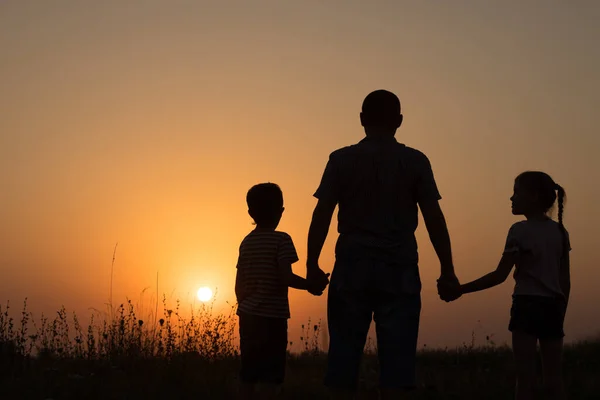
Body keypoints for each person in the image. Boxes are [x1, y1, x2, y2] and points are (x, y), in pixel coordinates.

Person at [306, 90, 459, 399]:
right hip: (399, 268)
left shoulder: (341, 159)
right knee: (398, 369)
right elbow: (433, 217)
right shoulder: (415, 161)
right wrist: (447, 270)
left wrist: (312, 264)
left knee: (342, 363)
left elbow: (322, 213)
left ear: (361, 119)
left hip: (351, 266)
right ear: (399, 121)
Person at [439, 171, 570, 400]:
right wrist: (561, 311)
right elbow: (565, 281)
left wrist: (460, 290)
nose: (511, 198)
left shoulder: (518, 231)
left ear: (534, 197)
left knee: (524, 380)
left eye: (516, 192)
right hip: (553, 308)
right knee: (554, 379)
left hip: (527, 306)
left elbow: (500, 275)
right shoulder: (560, 232)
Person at [235, 182, 329, 400]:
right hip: (272, 319)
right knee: (271, 374)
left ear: (250, 212)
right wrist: (310, 285)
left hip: (248, 317)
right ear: (281, 211)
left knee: (248, 372)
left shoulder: (246, 242)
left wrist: (245, 304)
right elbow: (285, 276)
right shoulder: (282, 240)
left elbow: (238, 284)